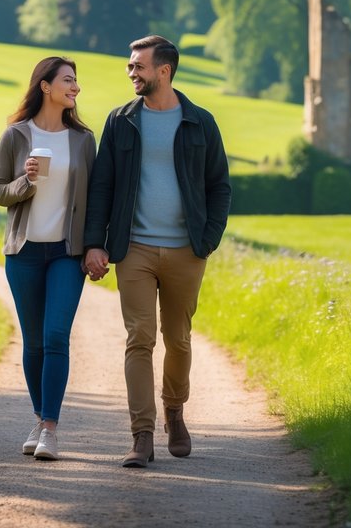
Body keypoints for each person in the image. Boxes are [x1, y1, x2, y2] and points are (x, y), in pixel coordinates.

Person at [83, 34, 231, 468]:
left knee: (179, 340)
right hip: (134, 250)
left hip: (187, 251)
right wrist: (96, 242)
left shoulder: (200, 123)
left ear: (163, 71)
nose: (131, 72)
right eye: (130, 65)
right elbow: (102, 186)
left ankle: (175, 410)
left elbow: (219, 186)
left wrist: (209, 238)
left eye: (138, 66)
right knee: (139, 339)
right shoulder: (120, 121)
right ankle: (141, 435)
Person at [0, 56, 97, 461]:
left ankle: (49, 428)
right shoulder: (15, 135)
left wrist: (94, 246)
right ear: (46, 86)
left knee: (55, 337)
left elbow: (95, 198)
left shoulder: (83, 140)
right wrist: (27, 181)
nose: (75, 88)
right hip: (25, 252)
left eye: (76, 81)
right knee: (34, 342)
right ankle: (38, 418)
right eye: (68, 81)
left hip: (67, 254)